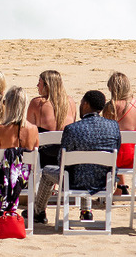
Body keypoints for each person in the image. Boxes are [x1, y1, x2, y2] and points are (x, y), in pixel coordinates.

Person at [30, 90, 121, 224]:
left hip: (76, 181)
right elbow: (116, 149)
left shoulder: (73, 129)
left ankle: (39, 211)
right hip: (105, 180)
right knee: (87, 167)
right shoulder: (114, 126)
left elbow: (62, 160)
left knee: (48, 171)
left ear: (85, 104)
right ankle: (86, 211)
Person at [0, 86, 39, 220]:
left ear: (8, 105)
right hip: (24, 179)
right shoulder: (33, 129)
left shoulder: (0, 129)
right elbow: (35, 155)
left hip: (3, 179)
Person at [102, 71, 136, 194]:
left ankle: (121, 185)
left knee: (114, 145)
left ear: (112, 89)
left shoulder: (110, 108)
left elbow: (106, 135)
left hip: (118, 159)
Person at [27, 70, 77, 168]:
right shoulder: (70, 102)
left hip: (45, 157)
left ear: (47, 86)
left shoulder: (37, 103)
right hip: (65, 155)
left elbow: (29, 130)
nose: (37, 85)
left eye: (39, 83)